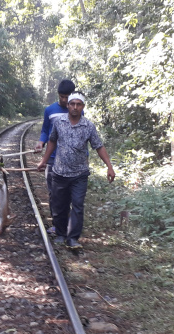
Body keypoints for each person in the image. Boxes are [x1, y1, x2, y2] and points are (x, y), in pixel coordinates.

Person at [36, 92, 116, 249]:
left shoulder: (88, 126)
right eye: (72, 104)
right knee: (60, 205)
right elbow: (52, 142)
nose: (75, 107)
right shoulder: (59, 122)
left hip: (79, 174)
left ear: (83, 107)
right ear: (68, 105)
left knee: (78, 206)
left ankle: (73, 238)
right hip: (59, 172)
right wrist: (44, 161)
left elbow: (98, 146)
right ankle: (60, 234)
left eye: (78, 104)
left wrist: (109, 167)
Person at [35, 79, 76, 233]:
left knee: (69, 194)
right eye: (62, 97)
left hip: (71, 161)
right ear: (58, 95)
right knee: (54, 193)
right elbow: (45, 130)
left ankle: (68, 224)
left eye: (68, 97)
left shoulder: (77, 110)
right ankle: (57, 225)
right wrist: (41, 142)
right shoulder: (50, 110)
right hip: (52, 159)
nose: (65, 101)